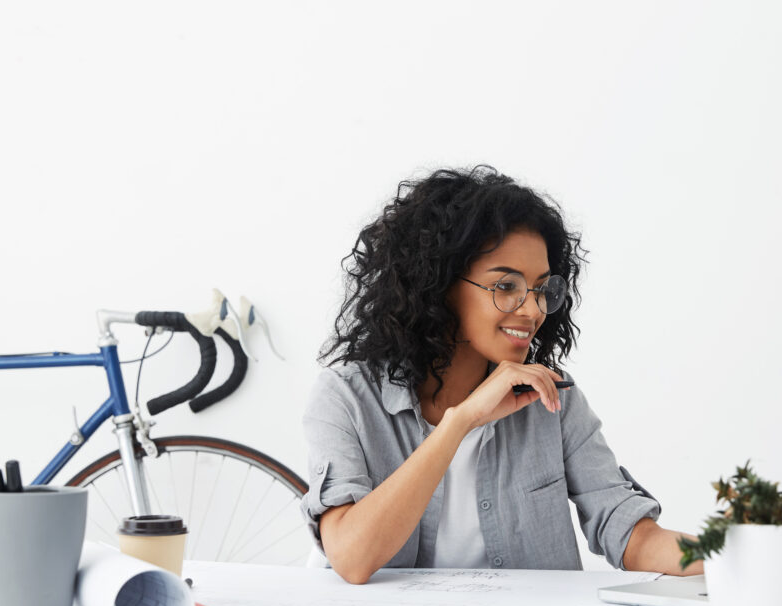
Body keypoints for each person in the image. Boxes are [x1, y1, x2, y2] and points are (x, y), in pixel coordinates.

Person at [300, 166, 703, 584]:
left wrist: (731, 554)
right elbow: (352, 558)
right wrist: (461, 422)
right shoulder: (346, 397)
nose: (532, 311)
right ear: (437, 285)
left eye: (541, 289)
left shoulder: (551, 399)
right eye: (506, 286)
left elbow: (631, 535)